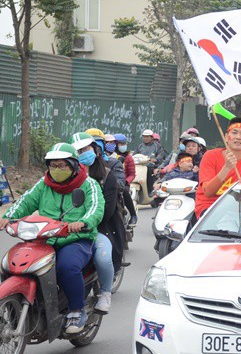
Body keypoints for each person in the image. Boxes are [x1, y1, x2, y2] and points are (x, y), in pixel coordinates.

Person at [0, 143, 104, 333]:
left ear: (73, 165)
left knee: (67, 266)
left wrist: (83, 222)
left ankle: (76, 310)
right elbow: (25, 201)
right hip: (44, 239)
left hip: (75, 239)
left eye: (62, 165)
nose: (57, 170)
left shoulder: (88, 184)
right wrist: (7, 218)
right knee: (11, 262)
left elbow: (96, 208)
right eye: (53, 166)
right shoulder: (43, 184)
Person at [69, 132, 125, 314]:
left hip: (99, 228)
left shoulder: (107, 175)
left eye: (86, 149)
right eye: (78, 151)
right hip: (67, 229)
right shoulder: (65, 176)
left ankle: (105, 293)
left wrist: (84, 221)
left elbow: (107, 212)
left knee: (102, 258)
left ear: (96, 149)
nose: (83, 153)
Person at [113, 133, 138, 226]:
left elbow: (132, 174)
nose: (123, 146)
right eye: (120, 144)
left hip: (123, 183)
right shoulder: (110, 156)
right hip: (111, 182)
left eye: (124, 144)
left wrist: (125, 182)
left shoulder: (128, 158)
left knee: (124, 192)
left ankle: (133, 215)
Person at [136, 129, 165, 194]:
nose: (145, 138)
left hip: (151, 167)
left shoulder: (157, 146)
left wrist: (156, 159)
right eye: (144, 136)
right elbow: (135, 155)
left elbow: (160, 156)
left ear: (151, 137)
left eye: (147, 137)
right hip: (140, 166)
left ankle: (150, 192)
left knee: (149, 172)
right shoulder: (140, 146)